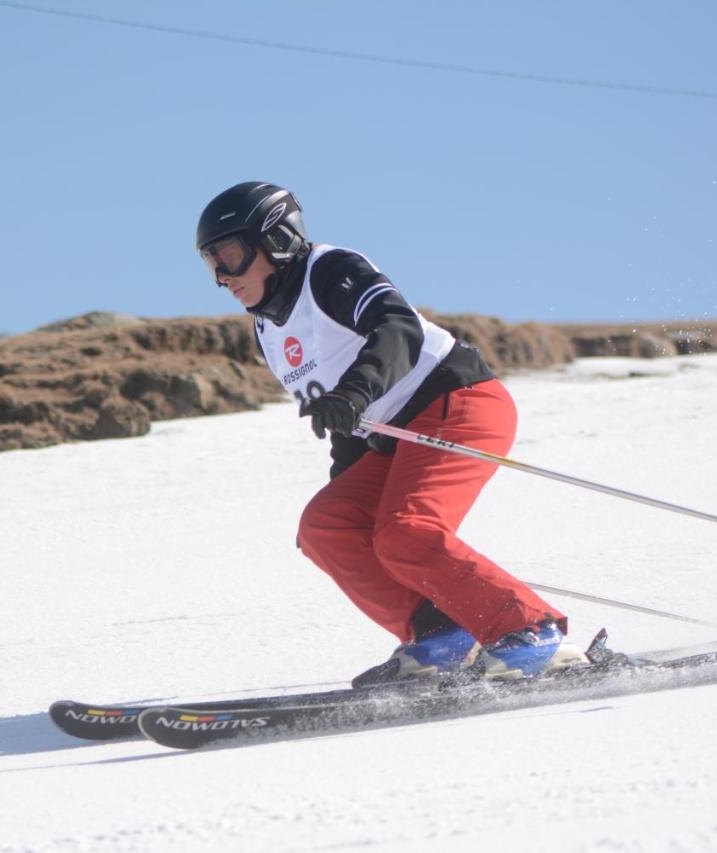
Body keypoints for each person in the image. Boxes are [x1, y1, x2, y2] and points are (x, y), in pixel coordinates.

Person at [195, 181, 586, 686]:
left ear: (277, 239)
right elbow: (347, 430)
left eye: (230, 256)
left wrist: (354, 393)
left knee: (406, 530)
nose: (223, 276)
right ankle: (443, 634)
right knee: (327, 526)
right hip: (393, 436)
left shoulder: (328, 271)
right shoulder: (269, 329)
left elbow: (398, 327)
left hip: (456, 402)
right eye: (211, 265)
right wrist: (345, 479)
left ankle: (534, 631)